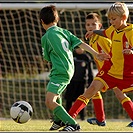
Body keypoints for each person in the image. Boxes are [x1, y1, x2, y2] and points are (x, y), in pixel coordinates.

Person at [61, 2, 133, 130]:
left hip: (127, 74)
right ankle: (70, 121)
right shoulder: (112, 30)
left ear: (123, 18)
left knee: (120, 95)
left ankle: (102, 119)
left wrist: (132, 51)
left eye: (114, 19)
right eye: (109, 19)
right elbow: (105, 32)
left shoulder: (131, 32)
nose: (111, 22)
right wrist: (94, 31)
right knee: (91, 90)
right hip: (109, 72)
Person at [40, 5, 110, 131]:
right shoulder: (64, 32)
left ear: (42, 21)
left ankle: (73, 124)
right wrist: (96, 54)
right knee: (57, 96)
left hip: (60, 71)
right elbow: (81, 44)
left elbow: (47, 58)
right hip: (70, 69)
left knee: (50, 101)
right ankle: (58, 120)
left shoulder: (46, 37)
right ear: (57, 19)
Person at [64, 47, 94, 121]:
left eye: (80, 48)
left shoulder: (86, 57)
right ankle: (68, 116)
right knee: (69, 99)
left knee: (81, 99)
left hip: (82, 82)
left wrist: (91, 82)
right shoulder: (71, 55)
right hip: (71, 81)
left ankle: (82, 117)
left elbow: (90, 71)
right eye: (77, 48)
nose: (79, 49)